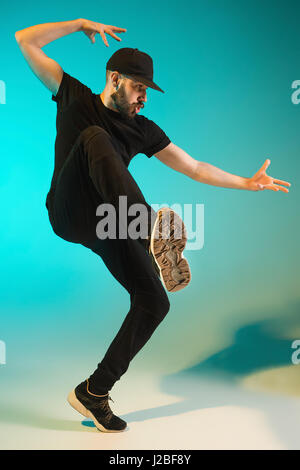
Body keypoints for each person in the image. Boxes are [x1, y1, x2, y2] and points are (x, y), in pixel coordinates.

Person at [15, 18, 291, 433]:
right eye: (139, 88)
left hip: (110, 220)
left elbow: (194, 167)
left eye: (147, 91)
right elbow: (25, 40)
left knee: (154, 302)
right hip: (70, 211)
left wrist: (247, 183)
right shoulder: (73, 96)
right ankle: (151, 233)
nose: (144, 98)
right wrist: (76, 25)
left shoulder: (143, 129)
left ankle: (93, 391)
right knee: (94, 136)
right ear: (115, 79)